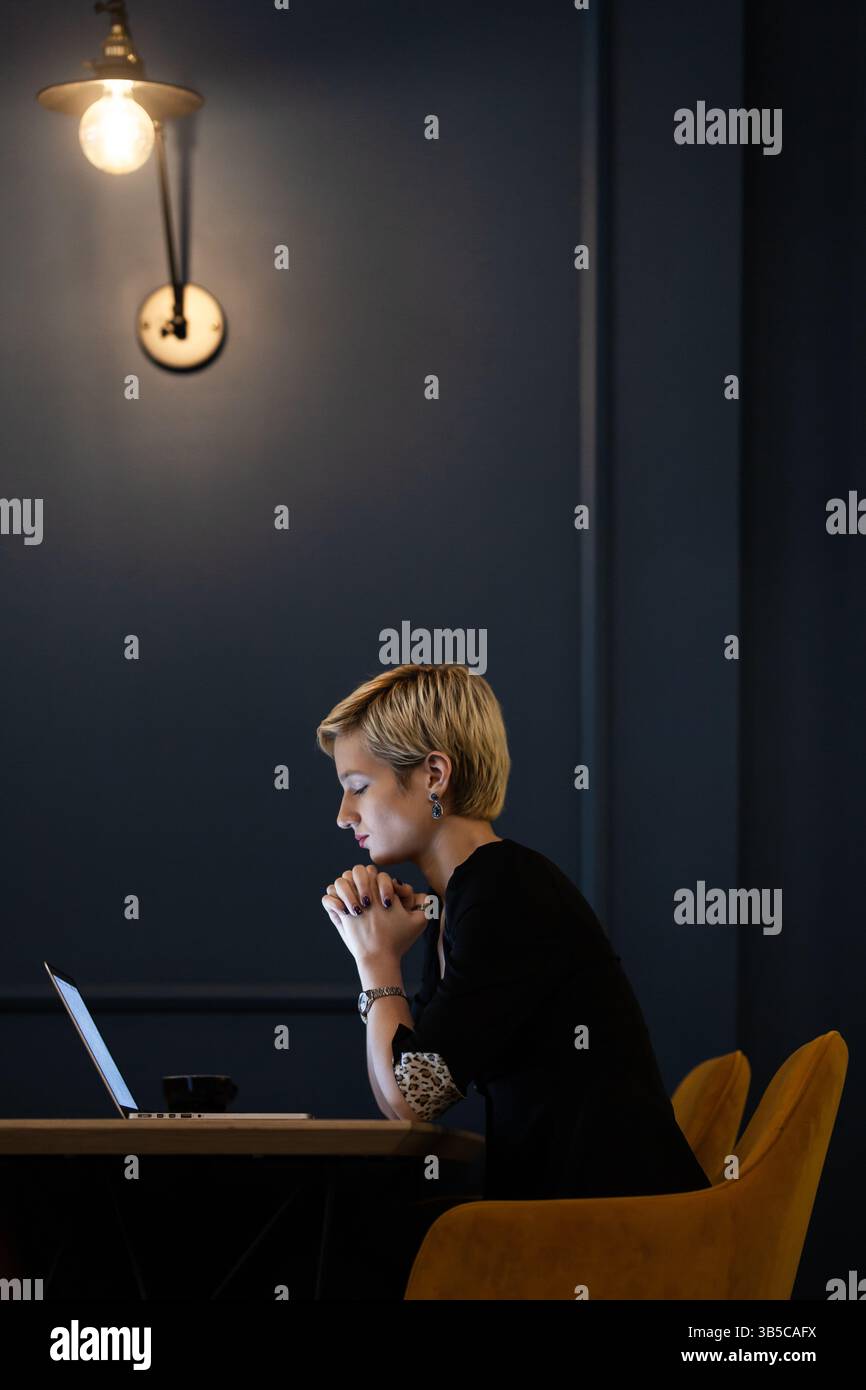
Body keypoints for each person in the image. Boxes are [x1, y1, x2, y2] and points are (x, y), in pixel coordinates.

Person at [314, 662, 711, 1297]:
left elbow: (415, 1095)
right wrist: (381, 957)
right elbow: (403, 1106)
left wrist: (375, 962)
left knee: (345, 1244)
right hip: (575, 1220)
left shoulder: (502, 889)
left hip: (613, 1235)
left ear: (434, 776)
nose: (342, 814)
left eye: (358, 786)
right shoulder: (465, 899)